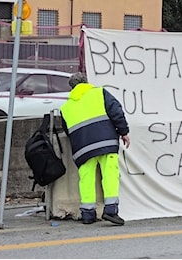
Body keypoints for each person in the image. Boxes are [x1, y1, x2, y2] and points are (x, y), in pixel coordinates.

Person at [60, 72, 130, 224]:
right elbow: (116, 111)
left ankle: (87, 214)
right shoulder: (99, 93)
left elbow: (67, 131)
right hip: (106, 142)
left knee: (86, 179)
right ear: (86, 82)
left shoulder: (66, 107)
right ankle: (111, 211)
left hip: (82, 148)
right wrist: (123, 132)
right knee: (110, 175)